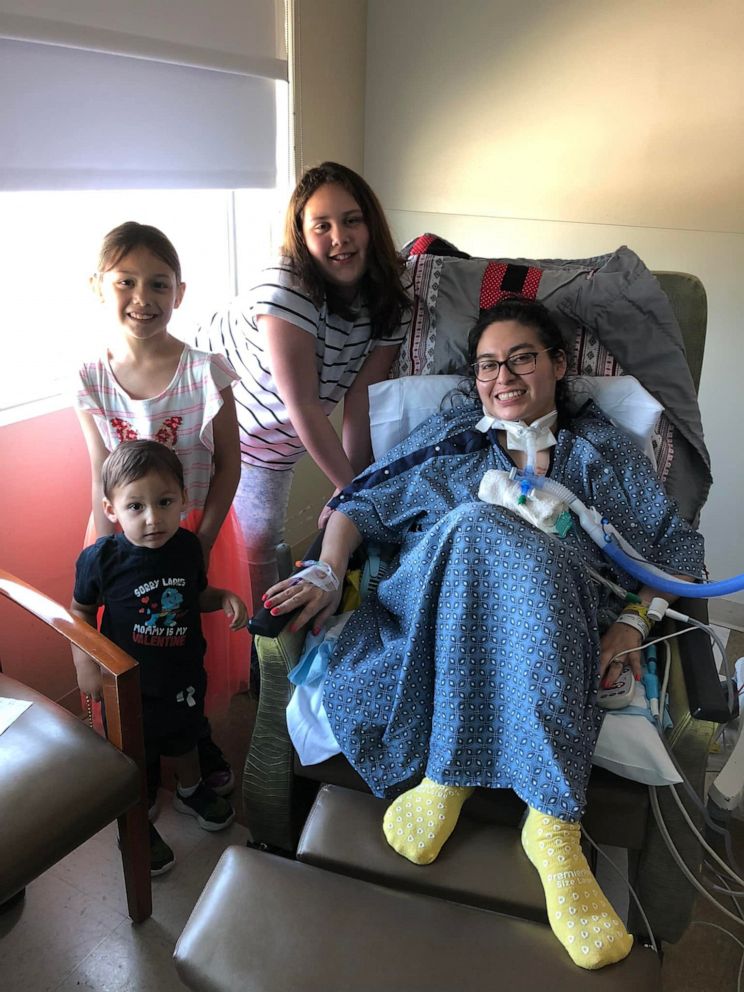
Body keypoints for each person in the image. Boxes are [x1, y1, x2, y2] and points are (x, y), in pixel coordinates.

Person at [264, 298, 705, 970]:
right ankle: (515, 808)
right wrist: (328, 570)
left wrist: (629, 621)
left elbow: (674, 549)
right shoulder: (450, 438)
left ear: (558, 364)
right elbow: (360, 502)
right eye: (487, 365)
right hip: (430, 607)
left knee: (517, 543)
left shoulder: (601, 452)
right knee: (476, 523)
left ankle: (540, 823)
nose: (503, 377)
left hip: (554, 624)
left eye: (522, 357)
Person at [75, 220, 249, 795]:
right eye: (126, 282)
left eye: (158, 283)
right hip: (123, 534)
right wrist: (103, 548)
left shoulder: (206, 371)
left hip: (195, 528)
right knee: (131, 638)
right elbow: (100, 471)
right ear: (99, 286)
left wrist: (202, 539)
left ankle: (195, 738)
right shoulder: (90, 378)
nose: (142, 298)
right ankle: (140, 749)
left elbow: (229, 464)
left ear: (179, 291)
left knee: (186, 645)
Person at [194, 161, 412, 614]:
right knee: (185, 545)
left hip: (272, 448)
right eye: (322, 226)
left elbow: (360, 401)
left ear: (371, 223)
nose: (340, 237)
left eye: (352, 220)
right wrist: (354, 490)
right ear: (301, 235)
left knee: (258, 548)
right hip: (200, 426)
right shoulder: (286, 286)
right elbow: (304, 405)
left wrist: (351, 485)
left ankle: (263, 662)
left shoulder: (392, 298)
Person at [70, 441, 248, 875]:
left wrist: (221, 597)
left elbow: (194, 596)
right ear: (111, 510)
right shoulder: (102, 559)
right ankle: (135, 809)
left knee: (185, 734)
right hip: (126, 681)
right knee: (133, 749)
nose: (153, 518)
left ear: (183, 500)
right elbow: (78, 612)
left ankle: (189, 789)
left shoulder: (187, 548)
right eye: (136, 506)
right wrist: (86, 664)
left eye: (165, 502)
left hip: (182, 671)